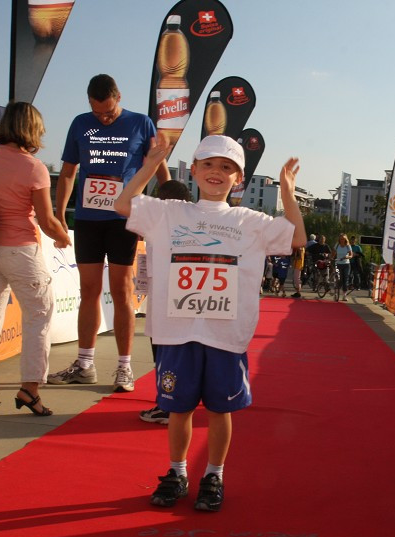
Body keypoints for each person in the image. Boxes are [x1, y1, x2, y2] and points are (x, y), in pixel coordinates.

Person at [115, 133, 306, 512]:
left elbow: (297, 236)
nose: (216, 172)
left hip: (225, 334)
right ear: (195, 171)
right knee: (179, 408)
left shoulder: (249, 220)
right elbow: (123, 204)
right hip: (177, 331)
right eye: (208, 164)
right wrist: (150, 166)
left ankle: (214, 474)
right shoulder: (168, 212)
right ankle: (177, 472)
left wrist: (287, 192)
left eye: (227, 167)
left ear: (239, 178)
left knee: (220, 410)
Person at [48, 74, 169, 393]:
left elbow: (157, 163)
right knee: (87, 290)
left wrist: (171, 199)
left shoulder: (141, 123)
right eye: (97, 112)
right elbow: (68, 171)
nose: (103, 118)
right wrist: (59, 214)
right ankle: (84, 365)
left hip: (123, 219)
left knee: (122, 291)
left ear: (119, 98)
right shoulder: (80, 123)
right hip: (88, 219)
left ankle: (124, 367)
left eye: (109, 113)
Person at [0, 102, 72, 416]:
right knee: (38, 317)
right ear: (32, 129)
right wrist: (63, 238)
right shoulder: (33, 167)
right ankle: (30, 389)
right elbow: (47, 220)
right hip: (22, 249)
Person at [138, 179, 192, 425]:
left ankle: (168, 405)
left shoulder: (157, 221)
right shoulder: (191, 223)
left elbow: (124, 205)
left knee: (163, 354)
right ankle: (174, 403)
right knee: (178, 354)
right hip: (185, 299)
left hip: (164, 299)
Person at [334, 233, 353, 300]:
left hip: (346, 264)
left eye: (343, 239)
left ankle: (344, 295)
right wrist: (330, 258)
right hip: (338, 264)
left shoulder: (348, 246)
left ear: (345, 239)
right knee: (339, 279)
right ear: (339, 239)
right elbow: (333, 253)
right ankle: (336, 293)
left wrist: (347, 257)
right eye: (341, 239)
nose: (342, 240)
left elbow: (351, 255)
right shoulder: (337, 245)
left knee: (345, 279)